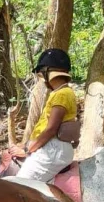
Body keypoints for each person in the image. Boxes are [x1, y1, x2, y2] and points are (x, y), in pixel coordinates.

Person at [9, 48, 78, 182]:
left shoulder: (62, 94)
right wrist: (25, 145)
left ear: (48, 72)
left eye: (41, 74)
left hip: (53, 150)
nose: (42, 79)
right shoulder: (59, 93)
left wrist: (27, 151)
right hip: (51, 147)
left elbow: (51, 129)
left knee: (19, 185)